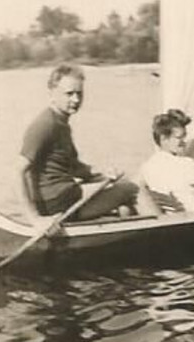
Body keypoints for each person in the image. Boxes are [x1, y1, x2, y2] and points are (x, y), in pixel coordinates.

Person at [18, 64, 158, 236]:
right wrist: (35, 219)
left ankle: (128, 239)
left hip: (64, 195)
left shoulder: (60, 123)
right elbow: (18, 171)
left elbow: (72, 165)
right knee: (133, 188)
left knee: (122, 197)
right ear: (52, 93)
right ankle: (166, 236)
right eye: (69, 94)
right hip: (59, 202)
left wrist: (101, 175)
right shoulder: (45, 125)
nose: (76, 100)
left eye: (79, 93)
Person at [138, 108, 194, 213]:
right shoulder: (186, 164)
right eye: (179, 138)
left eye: (184, 137)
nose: (183, 142)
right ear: (163, 139)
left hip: (178, 216)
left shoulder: (147, 167)